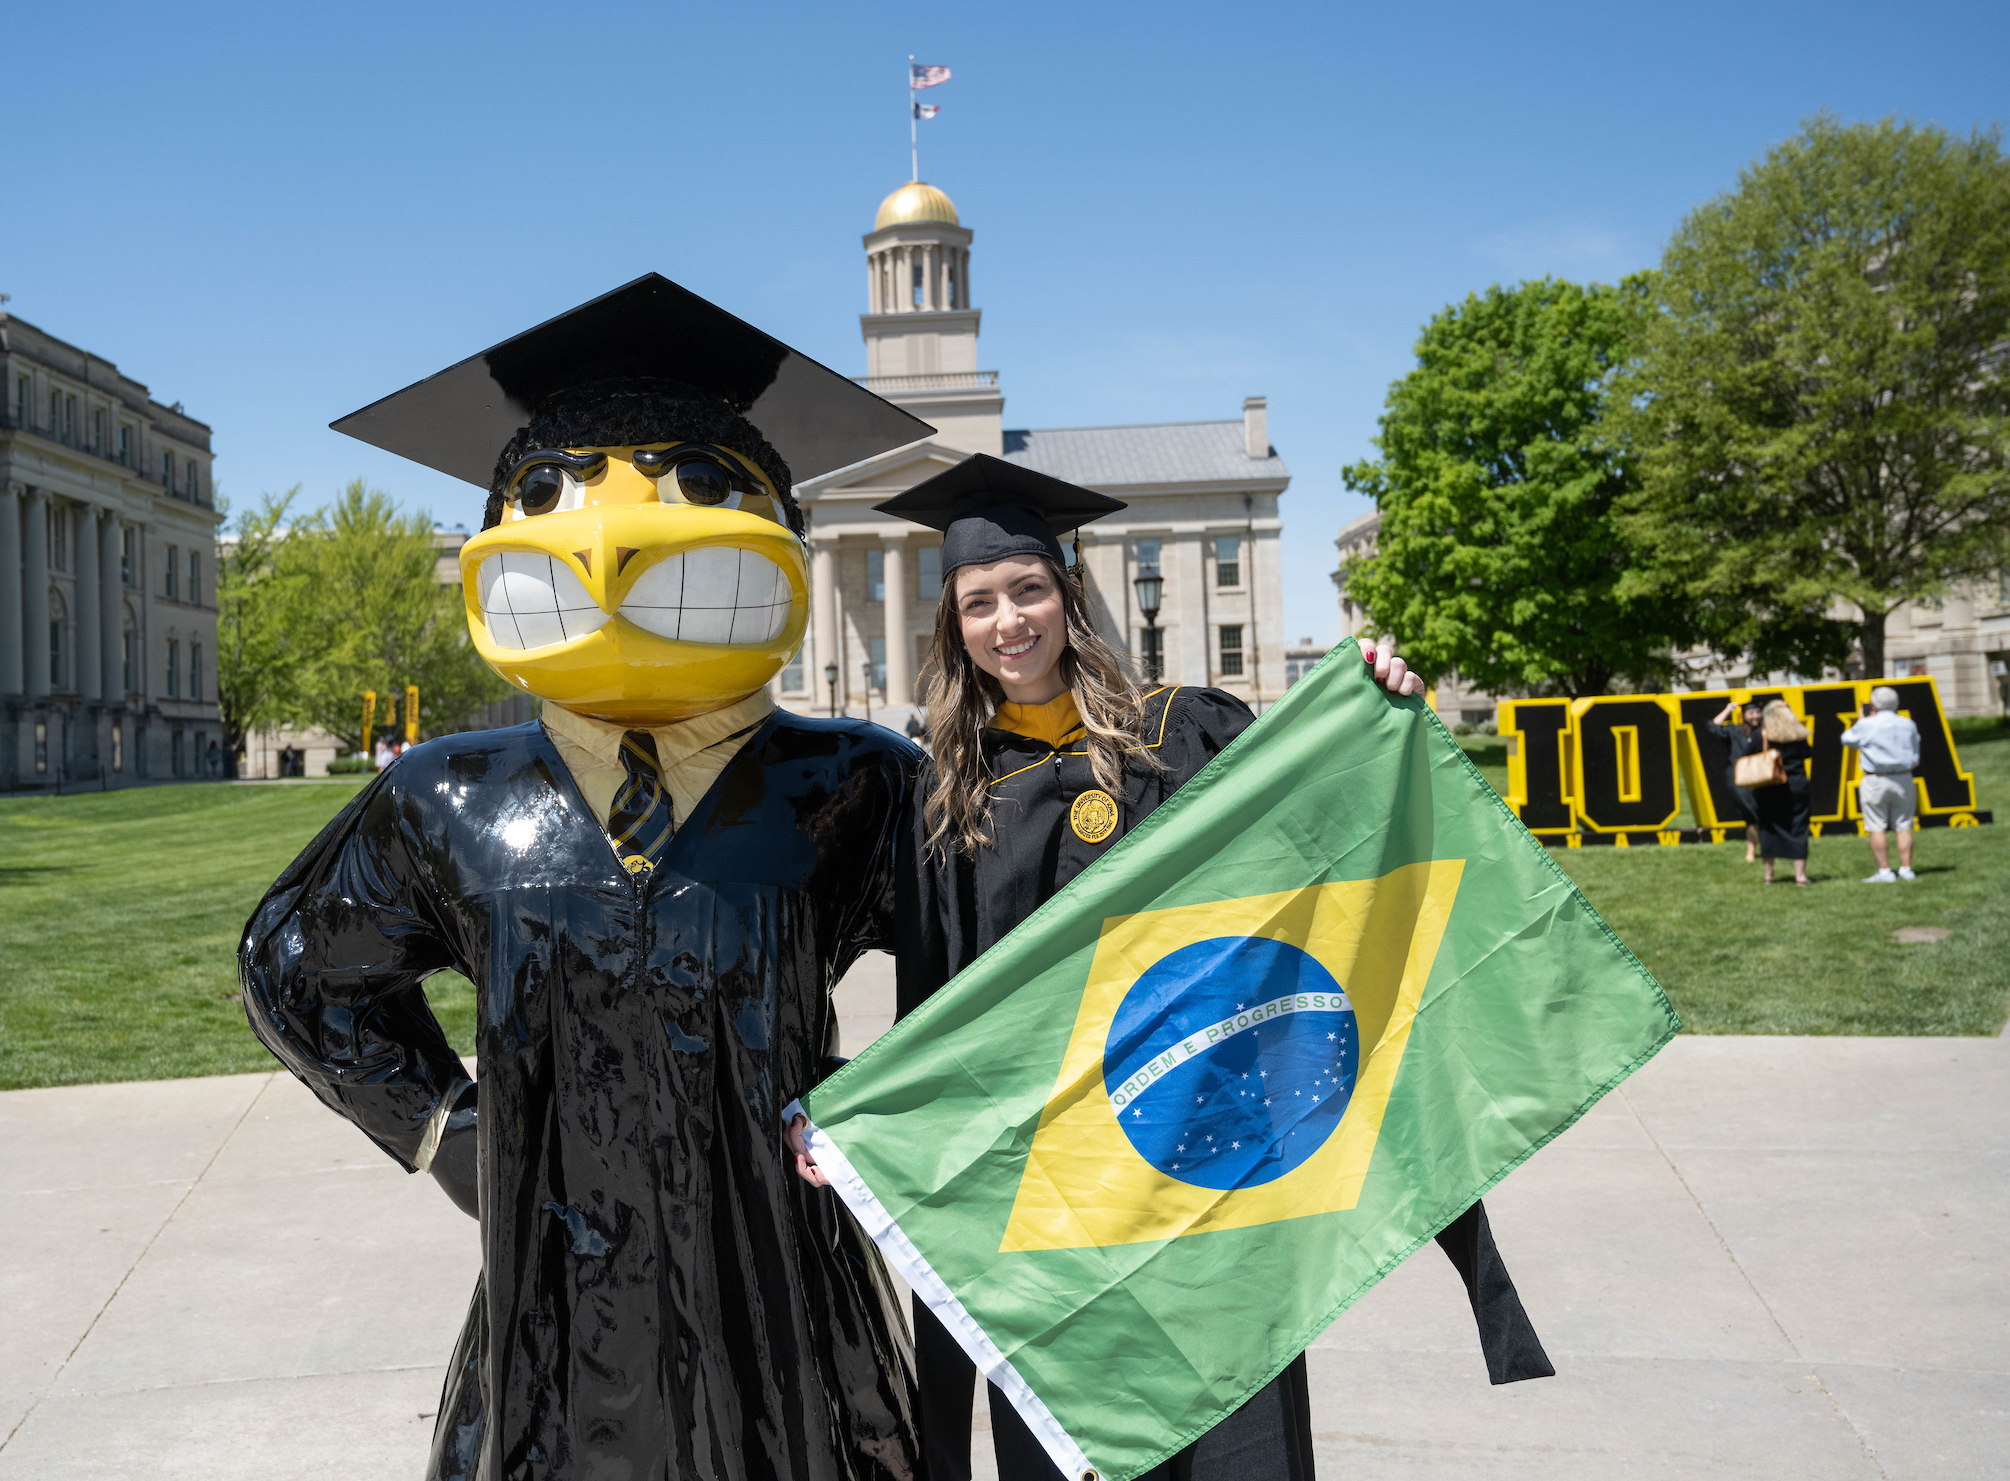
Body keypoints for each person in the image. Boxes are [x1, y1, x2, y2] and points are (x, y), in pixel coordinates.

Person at [238, 276, 939, 1481]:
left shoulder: (854, 782)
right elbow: (301, 966)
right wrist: (441, 1128)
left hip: (773, 1265)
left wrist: (891, 1121)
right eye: (552, 490)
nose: (616, 537)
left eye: (702, 484)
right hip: (557, 1277)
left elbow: (1018, 937)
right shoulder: (449, 794)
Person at [788, 455, 1552, 1481]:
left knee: (1234, 1433)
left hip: (1203, 1152)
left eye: (1027, 590)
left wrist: (1378, 708)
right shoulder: (951, 801)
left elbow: (1317, 846)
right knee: (1072, 1444)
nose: (1008, 621)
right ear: (955, 627)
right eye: (979, 604)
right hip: (1057, 1190)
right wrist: (867, 1122)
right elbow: (938, 1010)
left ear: (1067, 596)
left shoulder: (1180, 736)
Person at [1842, 687, 1922, 882]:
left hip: (1875, 778)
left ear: (1874, 705)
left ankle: (1885, 871)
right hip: (1903, 777)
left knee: (1876, 826)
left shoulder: (1868, 724)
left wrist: (1862, 720)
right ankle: (1906, 869)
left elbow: (1848, 739)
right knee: (1904, 825)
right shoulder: (1908, 724)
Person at [1752, 699, 1814, 885]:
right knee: (1799, 828)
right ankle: (1800, 876)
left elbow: (1748, 755)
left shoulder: (1761, 735)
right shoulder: (1799, 735)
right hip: (1796, 787)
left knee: (1768, 828)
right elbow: (1808, 754)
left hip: (1768, 787)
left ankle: (1769, 876)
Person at [1705, 698, 1767, 862]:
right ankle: (1762, 848)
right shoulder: (1735, 730)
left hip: (1761, 777)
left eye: (1757, 712)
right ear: (1744, 715)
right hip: (1739, 778)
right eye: (1751, 713)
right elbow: (1714, 726)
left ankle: (1752, 852)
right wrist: (1729, 709)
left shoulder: (1764, 731)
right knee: (1751, 811)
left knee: (1752, 816)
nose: (1755, 716)